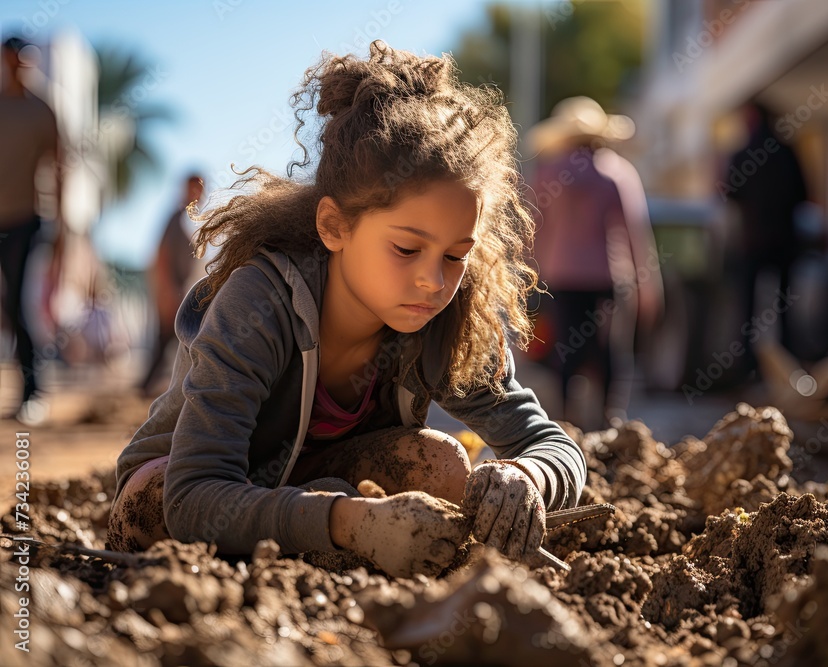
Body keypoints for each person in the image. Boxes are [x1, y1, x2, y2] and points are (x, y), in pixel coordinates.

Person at [106, 41, 586, 578]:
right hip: (186, 487)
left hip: (316, 488)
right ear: (335, 226)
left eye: (456, 255)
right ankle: (323, 535)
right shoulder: (260, 303)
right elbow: (191, 498)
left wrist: (530, 478)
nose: (433, 279)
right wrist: (348, 520)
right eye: (406, 249)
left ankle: (314, 533)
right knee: (145, 507)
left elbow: (551, 444)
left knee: (444, 464)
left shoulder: (446, 319)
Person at [525, 96, 663, 429]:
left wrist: (526, 275)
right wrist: (649, 285)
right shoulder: (616, 172)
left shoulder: (547, 172)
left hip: (560, 277)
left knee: (565, 349)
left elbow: (531, 229)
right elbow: (635, 234)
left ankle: (564, 420)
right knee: (610, 350)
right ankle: (609, 417)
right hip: (606, 278)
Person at [0, 36, 61, 423]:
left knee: (18, 303)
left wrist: (64, 228)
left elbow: (60, 166)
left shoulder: (43, 110)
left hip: (26, 218)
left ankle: (32, 391)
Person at [722, 101, 808, 375]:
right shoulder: (787, 151)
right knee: (785, 308)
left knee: (747, 309)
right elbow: (803, 193)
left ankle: (746, 367)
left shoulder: (744, 152)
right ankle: (788, 365)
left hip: (753, 242)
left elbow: (730, 192)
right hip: (784, 241)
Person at [138, 173, 204, 396]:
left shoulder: (189, 221)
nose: (196, 194)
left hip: (180, 292)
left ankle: (151, 386)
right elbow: (162, 257)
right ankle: (150, 387)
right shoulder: (175, 219)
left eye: (199, 189)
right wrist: (166, 292)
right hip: (172, 292)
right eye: (192, 189)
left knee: (169, 343)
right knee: (172, 341)